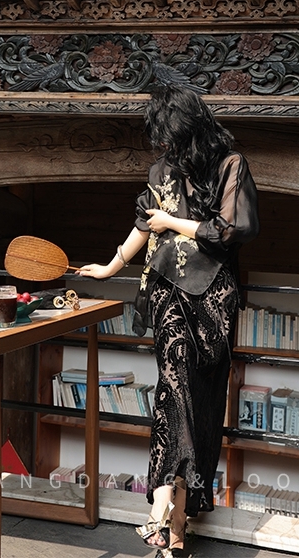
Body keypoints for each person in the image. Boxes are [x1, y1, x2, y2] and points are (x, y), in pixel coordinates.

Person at [77, 84, 259, 556]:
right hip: (166, 288)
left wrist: (172, 223)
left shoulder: (230, 165)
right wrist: (112, 266)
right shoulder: (161, 169)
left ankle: (176, 523)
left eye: (168, 133)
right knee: (174, 377)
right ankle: (160, 502)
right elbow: (144, 223)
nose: (162, 143)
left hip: (214, 294)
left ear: (188, 126)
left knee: (198, 399)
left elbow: (233, 229)